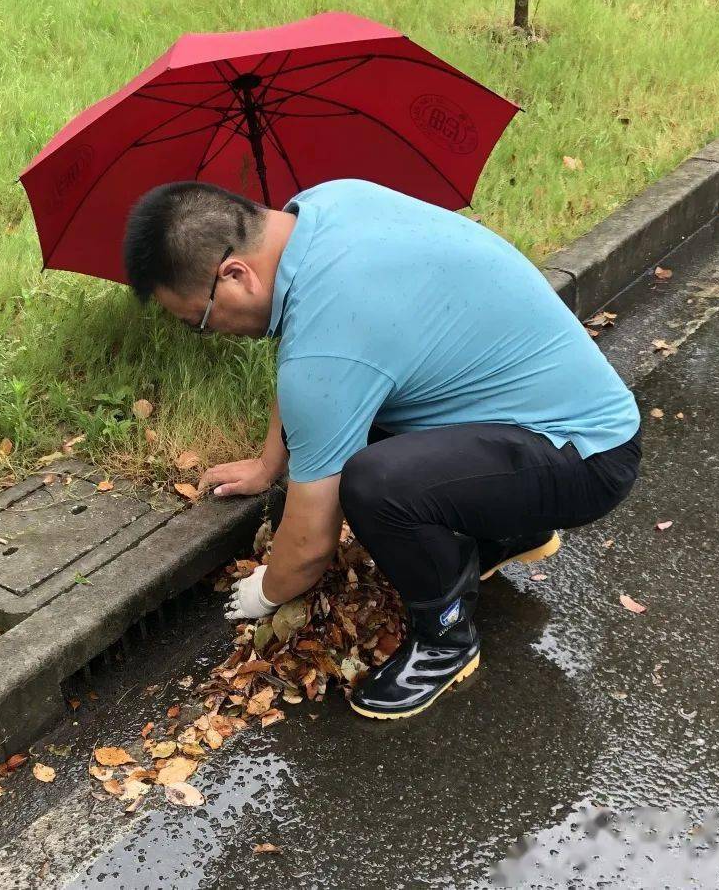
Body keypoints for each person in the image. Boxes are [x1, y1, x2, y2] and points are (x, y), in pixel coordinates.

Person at [121, 178, 642, 720]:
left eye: (200, 322)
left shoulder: (327, 345)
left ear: (235, 275)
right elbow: (312, 369)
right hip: (552, 418)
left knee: (375, 483)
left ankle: (446, 639)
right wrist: (268, 464)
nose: (214, 333)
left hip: (587, 460)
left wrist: (267, 591)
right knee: (358, 428)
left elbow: (310, 547)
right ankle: (513, 528)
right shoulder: (328, 203)